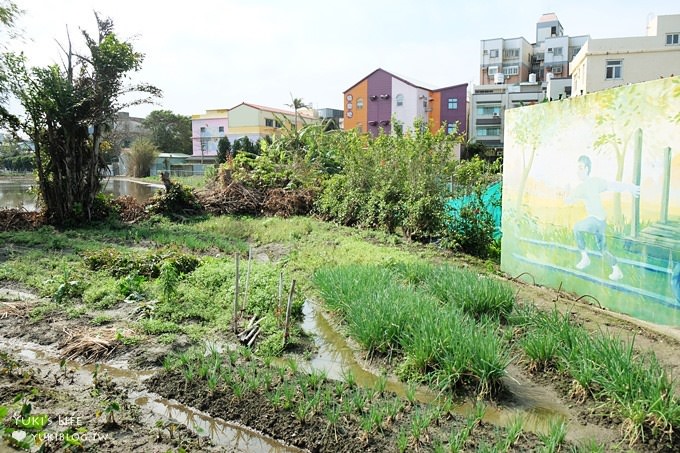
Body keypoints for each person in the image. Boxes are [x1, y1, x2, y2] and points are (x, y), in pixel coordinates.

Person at [565, 155, 640, 281]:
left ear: (587, 169)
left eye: (581, 168)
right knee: (603, 250)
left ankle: (585, 258)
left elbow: (612, 185)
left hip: (596, 220)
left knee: (577, 227)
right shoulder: (580, 188)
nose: (578, 171)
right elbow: (568, 201)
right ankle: (617, 270)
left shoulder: (594, 182)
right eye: (577, 168)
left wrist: (628, 187)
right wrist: (567, 191)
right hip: (601, 221)